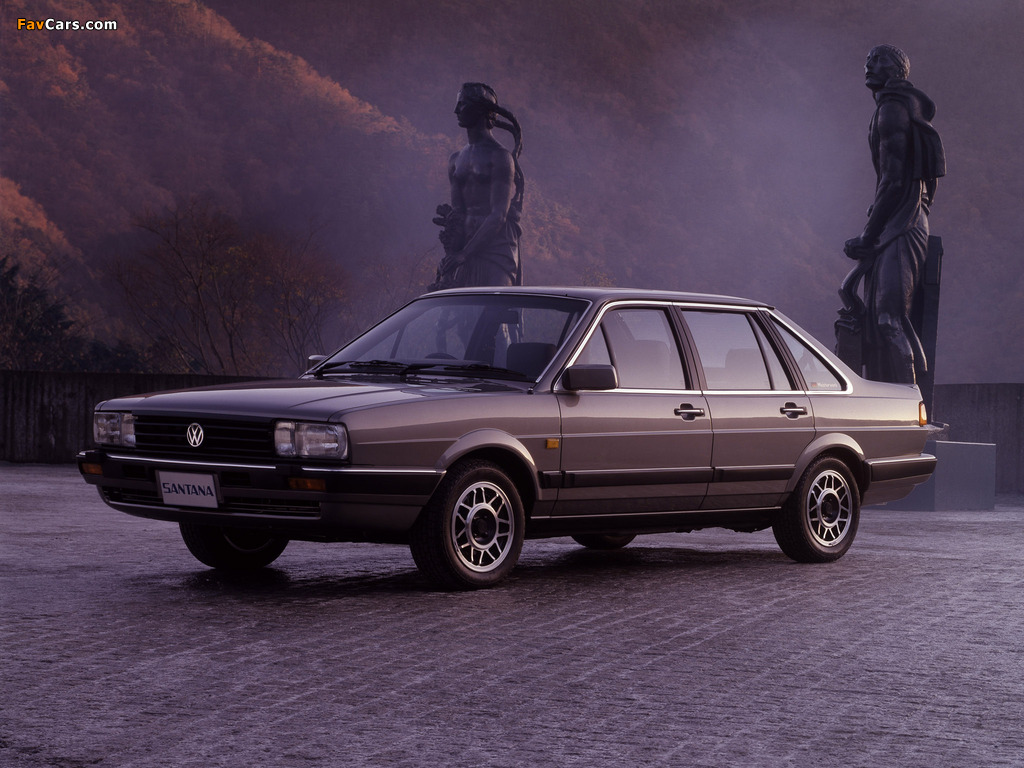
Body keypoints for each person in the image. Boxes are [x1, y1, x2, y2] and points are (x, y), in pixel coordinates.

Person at [842, 45, 945, 384]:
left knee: (889, 320)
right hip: (897, 221)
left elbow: (894, 179)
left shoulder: (893, 109)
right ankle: (891, 393)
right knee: (879, 321)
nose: (869, 65)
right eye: (867, 60)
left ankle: (910, 399)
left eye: (879, 60)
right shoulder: (896, 108)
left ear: (899, 69)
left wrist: (867, 236)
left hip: (903, 223)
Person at [431, 83, 524, 290]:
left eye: (462, 104)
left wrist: (464, 254)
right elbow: (458, 213)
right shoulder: (455, 160)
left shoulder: (500, 157)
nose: (456, 110)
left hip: (497, 248)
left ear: (481, 109)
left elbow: (498, 214)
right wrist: (452, 255)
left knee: (495, 305)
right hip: (466, 245)